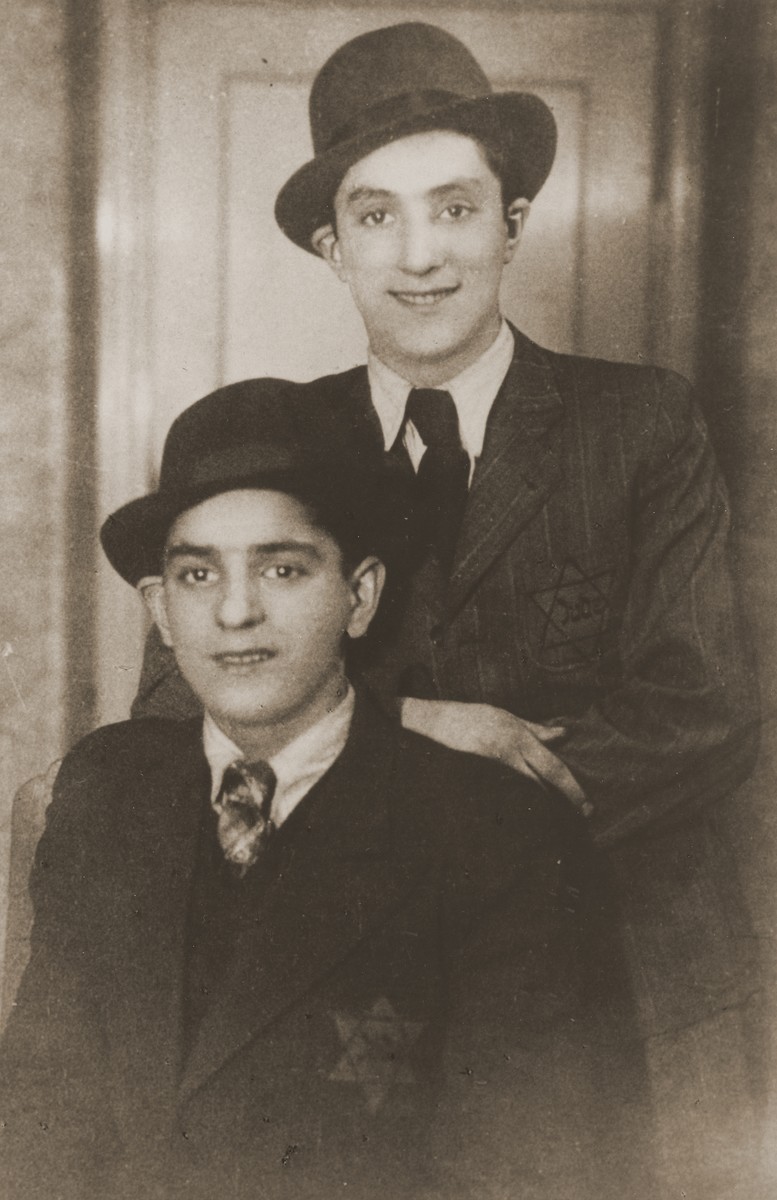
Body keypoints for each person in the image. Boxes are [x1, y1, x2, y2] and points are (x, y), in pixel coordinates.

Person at [132, 23, 765, 1198]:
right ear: (331, 246)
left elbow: (700, 708)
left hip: (623, 970)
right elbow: (175, 712)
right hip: (341, 989)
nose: (421, 256)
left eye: (458, 209)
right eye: (376, 216)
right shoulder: (271, 438)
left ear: (513, 225)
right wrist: (419, 722)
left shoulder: (638, 426)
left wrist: (423, 809)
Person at [0, 378, 652, 1200]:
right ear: (161, 613)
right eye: (199, 576)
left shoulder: (497, 832)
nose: (236, 612)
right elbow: (36, 1122)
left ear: (360, 595)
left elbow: (539, 1169)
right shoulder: (108, 794)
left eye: (281, 568)